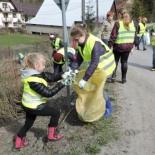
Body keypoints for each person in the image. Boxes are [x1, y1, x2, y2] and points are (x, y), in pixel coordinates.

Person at [13, 53, 66, 152]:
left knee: (28, 123)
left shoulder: (36, 73)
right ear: (36, 65)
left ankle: (18, 143)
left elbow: (52, 78)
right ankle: (51, 135)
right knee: (56, 113)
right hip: (34, 106)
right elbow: (48, 93)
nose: (45, 66)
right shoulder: (33, 80)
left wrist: (64, 74)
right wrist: (63, 83)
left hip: (27, 104)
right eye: (43, 64)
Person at [69, 24, 115, 117]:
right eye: (74, 39)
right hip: (98, 66)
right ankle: (93, 103)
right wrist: (72, 69)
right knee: (92, 85)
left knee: (98, 87)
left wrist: (85, 79)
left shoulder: (94, 42)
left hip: (106, 66)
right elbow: (78, 59)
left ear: (83, 34)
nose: (75, 41)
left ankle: (109, 108)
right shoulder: (81, 43)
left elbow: (94, 63)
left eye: (76, 39)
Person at [108, 8, 136, 84]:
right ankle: (124, 79)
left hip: (118, 46)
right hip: (128, 47)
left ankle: (113, 76)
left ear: (120, 15)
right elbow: (134, 35)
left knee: (115, 61)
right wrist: (133, 44)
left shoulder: (118, 23)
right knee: (124, 62)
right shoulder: (132, 23)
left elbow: (113, 36)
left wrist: (109, 46)